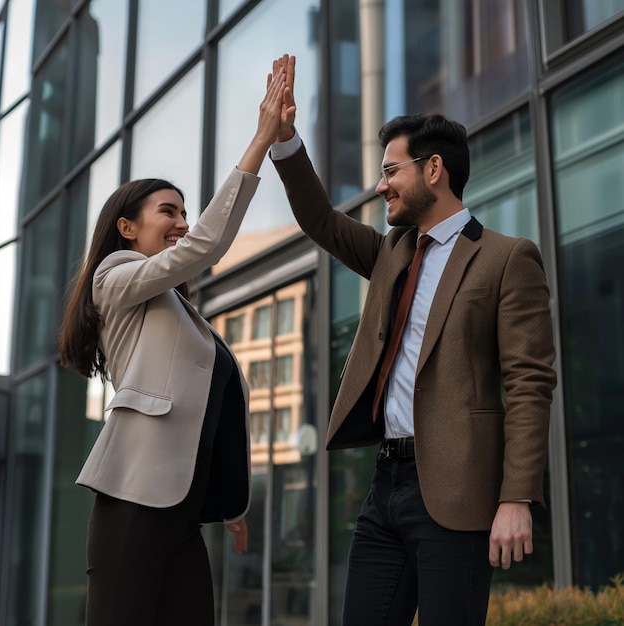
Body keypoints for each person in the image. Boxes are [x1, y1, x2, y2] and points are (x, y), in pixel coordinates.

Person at [269, 55, 557, 625]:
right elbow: (321, 221)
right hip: (387, 484)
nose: (380, 186)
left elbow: (530, 382)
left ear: (432, 170)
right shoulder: (390, 253)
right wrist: (284, 141)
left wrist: (515, 496)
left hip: (459, 491)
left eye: (390, 171)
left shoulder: (506, 258)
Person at [58, 60, 293, 626]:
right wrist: (262, 139)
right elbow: (204, 249)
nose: (183, 222)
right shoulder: (115, 280)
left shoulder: (185, 315)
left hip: (181, 513)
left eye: (186, 213)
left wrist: (230, 500)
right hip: (131, 507)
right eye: (170, 211)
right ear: (127, 228)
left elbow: (211, 409)